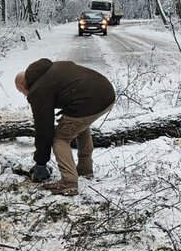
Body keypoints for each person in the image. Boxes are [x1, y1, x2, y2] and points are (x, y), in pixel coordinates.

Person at [15, 58, 116, 195]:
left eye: (22, 92)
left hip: (88, 101)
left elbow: (44, 129)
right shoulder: (51, 69)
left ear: (24, 86)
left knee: (60, 138)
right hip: (106, 93)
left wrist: (41, 162)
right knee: (79, 125)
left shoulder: (37, 89)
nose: (24, 95)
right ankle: (85, 170)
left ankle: (68, 182)